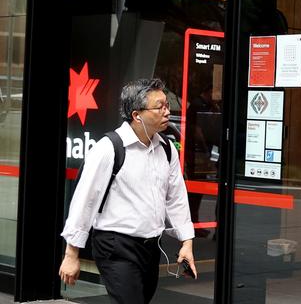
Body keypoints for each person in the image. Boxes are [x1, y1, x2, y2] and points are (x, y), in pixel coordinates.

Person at [59, 78, 197, 303]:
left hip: (151, 247)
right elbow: (85, 200)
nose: (166, 112)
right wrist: (71, 254)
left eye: (167, 105)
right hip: (115, 246)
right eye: (159, 106)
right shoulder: (109, 148)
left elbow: (176, 198)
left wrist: (187, 242)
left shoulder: (167, 148)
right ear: (136, 115)